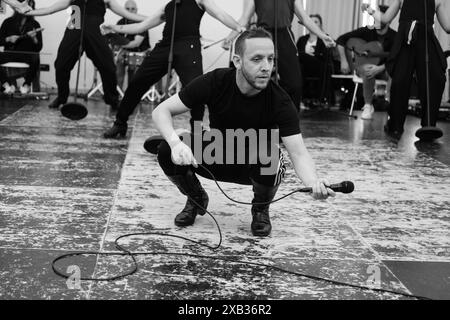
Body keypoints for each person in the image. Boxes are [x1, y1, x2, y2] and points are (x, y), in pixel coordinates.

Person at [152, 29, 335, 237]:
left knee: (273, 158)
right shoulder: (215, 81)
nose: (266, 67)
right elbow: (161, 111)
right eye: (257, 59)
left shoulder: (280, 101)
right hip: (216, 155)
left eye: (270, 59)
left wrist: (313, 183)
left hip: (252, 166)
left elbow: (299, 153)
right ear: (237, 61)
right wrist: (176, 143)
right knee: (166, 149)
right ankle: (196, 198)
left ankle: (260, 210)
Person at [102, 0, 245, 139]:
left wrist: (238, 27)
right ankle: (120, 123)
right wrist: (114, 28)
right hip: (165, 46)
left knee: (196, 88)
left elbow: (220, 14)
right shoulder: (168, 7)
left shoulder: (199, 1)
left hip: (188, 46)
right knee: (137, 81)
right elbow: (142, 26)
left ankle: (197, 131)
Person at [14, 0, 147, 111]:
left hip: (95, 32)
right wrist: (29, 11)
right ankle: (62, 97)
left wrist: (155, 19)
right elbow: (50, 9)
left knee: (108, 67)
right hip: (74, 27)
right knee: (61, 65)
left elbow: (128, 14)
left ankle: (112, 99)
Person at [223, 0, 335, 111]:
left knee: (294, 84)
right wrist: (230, 37)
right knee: (255, 79)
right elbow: (244, 19)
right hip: (263, 34)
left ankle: (289, 119)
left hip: (284, 36)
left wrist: (322, 36)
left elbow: (305, 18)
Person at [363, 0, 450, 138]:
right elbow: (386, 19)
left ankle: (429, 125)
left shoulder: (437, 0)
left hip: (426, 43)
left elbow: (448, 27)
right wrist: (371, 10)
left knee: (436, 78)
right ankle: (395, 125)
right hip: (405, 42)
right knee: (399, 81)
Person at [337, 5, 396, 120]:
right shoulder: (366, 31)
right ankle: (368, 105)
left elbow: (396, 58)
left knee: (396, 71)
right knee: (369, 69)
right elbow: (341, 40)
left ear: (389, 19)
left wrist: (380, 68)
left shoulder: (395, 36)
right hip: (363, 67)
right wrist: (344, 61)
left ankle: (391, 104)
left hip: (385, 69)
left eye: (381, 17)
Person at [0, 0, 42, 94]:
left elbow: (39, 48)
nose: (29, 9)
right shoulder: (7, 22)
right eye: (27, 6)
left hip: (26, 55)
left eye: (31, 7)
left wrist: (34, 38)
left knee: (36, 57)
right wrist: (8, 39)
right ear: (19, 7)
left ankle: (26, 85)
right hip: (10, 54)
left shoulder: (35, 24)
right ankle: (6, 85)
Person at [115, 0, 150, 91]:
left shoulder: (142, 22)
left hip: (141, 53)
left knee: (134, 75)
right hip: (125, 53)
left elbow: (136, 43)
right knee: (118, 62)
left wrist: (121, 46)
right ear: (123, 10)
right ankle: (118, 93)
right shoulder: (120, 22)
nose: (130, 11)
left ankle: (131, 95)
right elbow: (115, 41)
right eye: (127, 9)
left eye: (133, 9)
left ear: (136, 10)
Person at [296, 14, 328, 104]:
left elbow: (324, 56)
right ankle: (300, 98)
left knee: (301, 56)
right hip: (303, 67)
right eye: (311, 22)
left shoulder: (323, 39)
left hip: (318, 66)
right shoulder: (302, 39)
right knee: (299, 63)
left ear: (320, 25)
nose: (313, 24)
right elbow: (296, 53)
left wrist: (305, 55)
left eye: (316, 22)